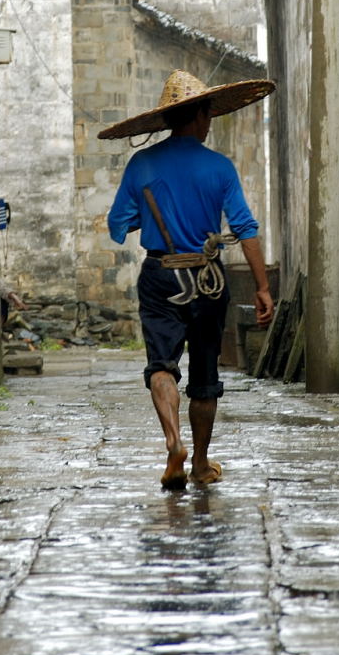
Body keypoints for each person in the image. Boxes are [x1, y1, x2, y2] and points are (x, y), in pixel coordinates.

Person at [98, 69, 276, 490]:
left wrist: (155, 212)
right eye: (208, 114)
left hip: (161, 276)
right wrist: (263, 287)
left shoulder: (142, 164)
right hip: (208, 276)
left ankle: (173, 441)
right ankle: (198, 463)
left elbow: (118, 227)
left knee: (161, 366)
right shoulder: (219, 168)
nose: (209, 122)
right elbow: (245, 229)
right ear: (197, 116)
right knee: (204, 375)